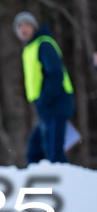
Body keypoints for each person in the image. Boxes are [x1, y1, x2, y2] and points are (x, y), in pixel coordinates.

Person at [13, 11, 75, 164]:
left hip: (56, 101)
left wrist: (45, 99)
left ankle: (65, 181)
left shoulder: (43, 44)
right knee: (35, 150)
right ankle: (39, 179)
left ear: (34, 27)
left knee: (54, 150)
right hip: (45, 105)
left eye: (27, 25)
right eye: (20, 26)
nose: (23, 29)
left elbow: (55, 74)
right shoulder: (30, 48)